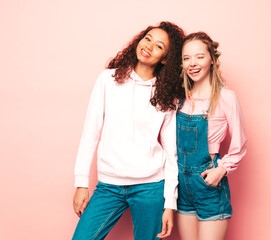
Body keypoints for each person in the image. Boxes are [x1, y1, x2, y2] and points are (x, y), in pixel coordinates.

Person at [72, 21, 185, 240]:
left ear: (164, 59)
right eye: (148, 38)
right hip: (109, 186)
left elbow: (172, 153)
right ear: (139, 40)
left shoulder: (167, 96)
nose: (149, 46)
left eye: (159, 46)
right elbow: (90, 132)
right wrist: (81, 184)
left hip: (150, 188)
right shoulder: (108, 79)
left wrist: (169, 204)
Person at [176, 32, 247, 240]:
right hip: (181, 186)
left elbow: (239, 144)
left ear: (212, 59)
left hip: (208, 184)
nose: (192, 63)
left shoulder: (226, 97)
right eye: (186, 58)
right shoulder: (179, 99)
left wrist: (221, 170)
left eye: (199, 56)